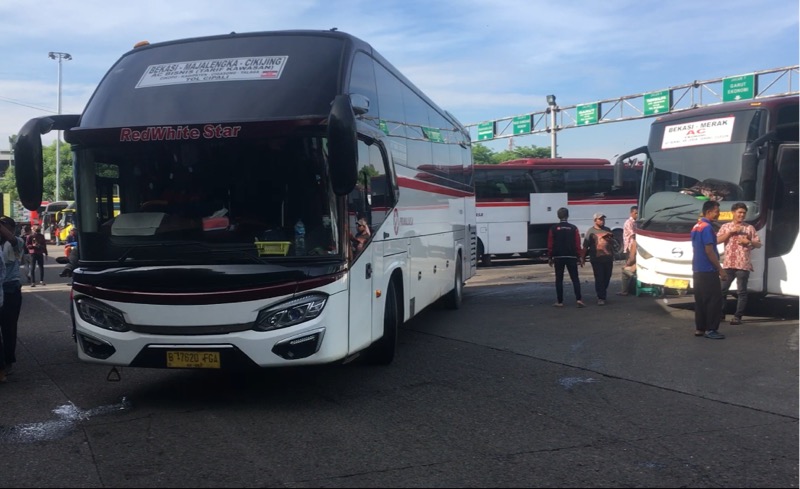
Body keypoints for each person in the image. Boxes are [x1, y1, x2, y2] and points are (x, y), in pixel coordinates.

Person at [716, 202, 761, 325]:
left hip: (743, 265)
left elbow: (759, 244)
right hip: (728, 263)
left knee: (741, 292)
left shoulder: (749, 228)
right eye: (739, 212)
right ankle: (720, 314)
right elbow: (717, 240)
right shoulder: (726, 226)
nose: (742, 215)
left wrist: (749, 241)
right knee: (722, 290)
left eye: (744, 213)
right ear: (733, 213)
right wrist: (730, 232)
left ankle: (738, 317)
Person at [691, 200, 727, 339]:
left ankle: (700, 328)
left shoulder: (696, 226)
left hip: (697, 268)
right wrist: (720, 269)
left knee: (700, 300)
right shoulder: (707, 227)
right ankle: (711, 329)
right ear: (709, 212)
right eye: (717, 212)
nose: (718, 214)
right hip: (708, 269)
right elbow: (709, 250)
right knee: (713, 300)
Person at [547, 207, 585, 308]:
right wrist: (579, 256)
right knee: (575, 278)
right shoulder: (573, 228)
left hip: (558, 256)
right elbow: (577, 243)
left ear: (558, 216)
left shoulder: (553, 228)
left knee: (559, 279)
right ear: (567, 216)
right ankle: (579, 299)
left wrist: (550, 257)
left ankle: (560, 301)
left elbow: (550, 244)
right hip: (571, 256)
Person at [0, 216, 23, 381]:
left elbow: (10, 238)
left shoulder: (17, 242)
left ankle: (8, 362)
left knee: (8, 329)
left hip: (10, 290)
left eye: (5, 226)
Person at [582, 213, 619, 305]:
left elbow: (613, 243)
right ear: (595, 220)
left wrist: (611, 240)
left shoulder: (607, 230)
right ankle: (601, 297)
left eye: (603, 219)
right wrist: (582, 257)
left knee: (607, 277)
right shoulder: (591, 231)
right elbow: (585, 246)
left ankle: (602, 292)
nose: (602, 221)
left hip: (608, 258)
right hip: (596, 259)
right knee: (599, 278)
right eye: (600, 219)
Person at [617, 205, 638, 296]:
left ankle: (628, 289)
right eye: (635, 213)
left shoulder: (636, 222)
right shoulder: (629, 222)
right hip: (630, 248)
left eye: (638, 213)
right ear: (631, 213)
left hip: (634, 248)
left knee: (630, 269)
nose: (637, 215)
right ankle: (627, 289)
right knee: (629, 267)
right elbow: (634, 235)